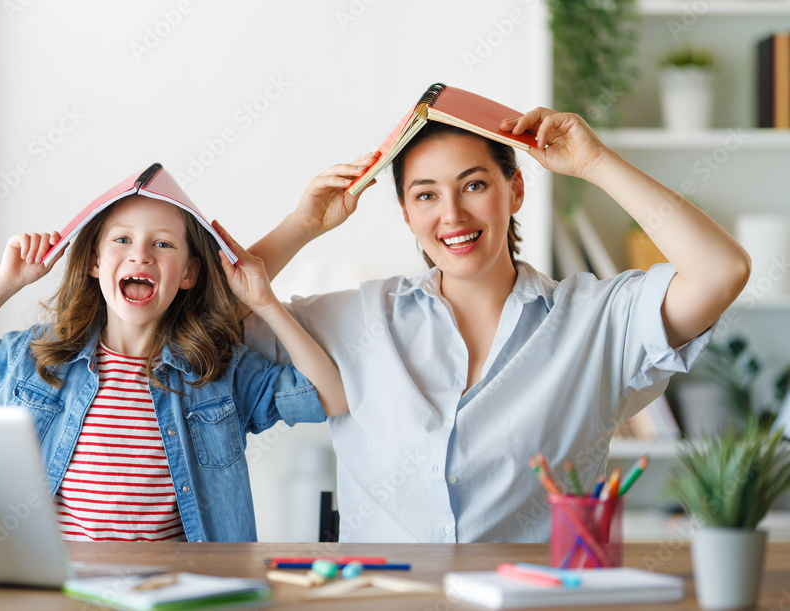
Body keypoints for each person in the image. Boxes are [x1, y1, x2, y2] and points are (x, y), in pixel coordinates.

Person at [244, 107, 751, 543]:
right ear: (404, 213)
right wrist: (302, 225)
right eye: (426, 196)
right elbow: (208, 320)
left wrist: (595, 163)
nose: (453, 215)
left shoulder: (595, 320)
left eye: (475, 185)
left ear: (515, 189)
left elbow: (721, 271)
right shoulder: (358, 317)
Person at [0, 177, 348, 543]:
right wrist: (7, 282)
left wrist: (265, 301)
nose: (141, 254)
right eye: (122, 239)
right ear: (95, 263)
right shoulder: (36, 359)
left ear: (188, 275)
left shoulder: (217, 372)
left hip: (177, 592)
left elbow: (329, 397)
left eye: (162, 243)